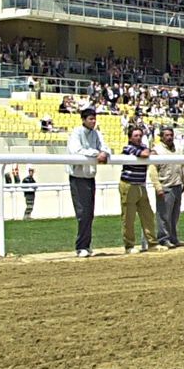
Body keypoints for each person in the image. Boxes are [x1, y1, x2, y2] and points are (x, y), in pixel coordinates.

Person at [66, 106, 110, 257]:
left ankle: (86, 245)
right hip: (78, 176)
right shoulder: (76, 132)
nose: (93, 121)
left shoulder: (96, 133)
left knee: (89, 213)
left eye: (94, 118)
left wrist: (103, 152)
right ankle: (81, 246)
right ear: (83, 120)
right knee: (83, 213)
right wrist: (96, 153)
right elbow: (75, 150)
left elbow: (105, 148)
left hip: (90, 176)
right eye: (90, 119)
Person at [119, 125, 157, 253]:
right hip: (129, 185)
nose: (139, 138)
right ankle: (129, 246)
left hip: (141, 185)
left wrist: (148, 151)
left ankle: (152, 243)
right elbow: (145, 154)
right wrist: (148, 152)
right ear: (130, 137)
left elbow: (149, 153)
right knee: (128, 218)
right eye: (136, 135)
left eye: (140, 135)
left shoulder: (142, 147)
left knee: (148, 215)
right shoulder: (128, 148)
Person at [151, 126, 184, 248]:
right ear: (161, 137)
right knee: (163, 215)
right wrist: (158, 187)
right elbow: (152, 170)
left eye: (171, 135)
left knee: (175, 215)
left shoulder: (177, 149)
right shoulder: (156, 150)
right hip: (165, 186)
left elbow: (181, 167)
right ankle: (163, 239)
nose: (169, 137)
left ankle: (173, 238)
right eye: (166, 135)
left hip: (177, 185)